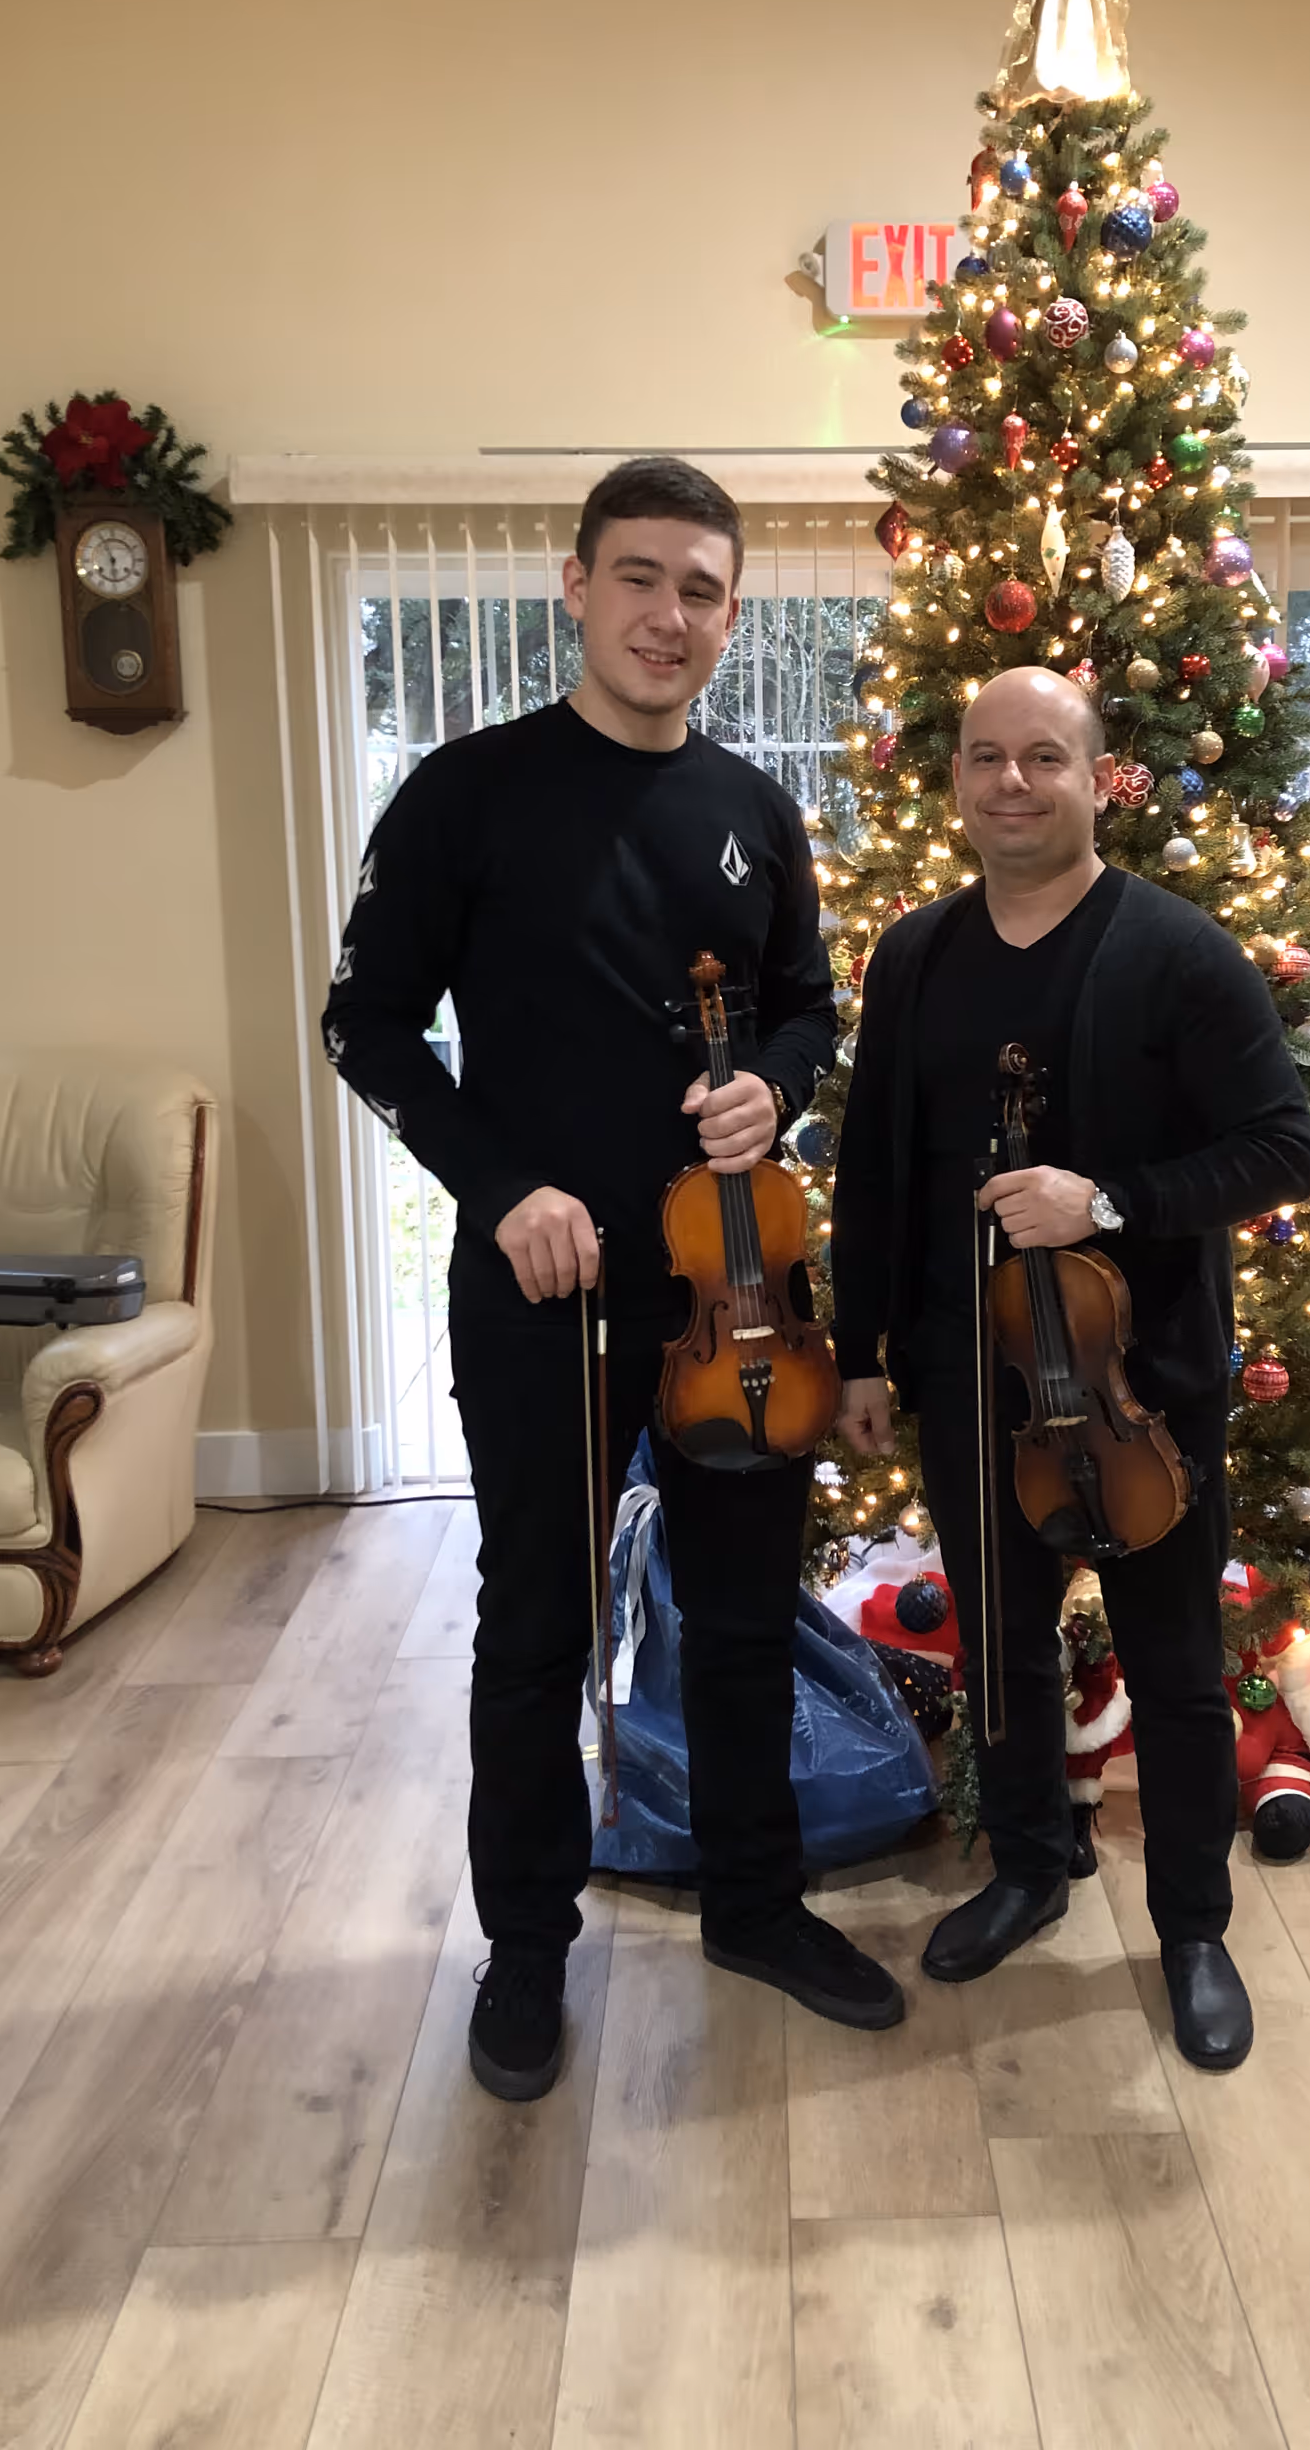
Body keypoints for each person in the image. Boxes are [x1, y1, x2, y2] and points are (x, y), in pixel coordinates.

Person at [322, 456, 905, 2103]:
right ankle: (523, 1946)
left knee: (738, 1615)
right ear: (573, 587)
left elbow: (807, 1008)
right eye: (638, 579)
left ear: (733, 613)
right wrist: (498, 1189)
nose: (670, 616)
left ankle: (754, 1906)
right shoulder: (466, 791)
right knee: (539, 1623)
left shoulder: (751, 810)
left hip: (735, 1296)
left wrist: (771, 1085)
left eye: (702, 589)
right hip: (545, 1291)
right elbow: (363, 1027)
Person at [831, 665, 1310, 2070]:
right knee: (1004, 1642)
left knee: (1171, 1664)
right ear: (959, 780)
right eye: (985, 757)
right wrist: (863, 1350)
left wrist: (1102, 1201)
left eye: (1043, 757)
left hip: (1137, 1387)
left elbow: (1283, 1146)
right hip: (965, 1375)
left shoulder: (1176, 950)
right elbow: (873, 1171)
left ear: (1097, 776)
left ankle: (1191, 1928)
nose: (1010, 783)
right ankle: (1031, 1869)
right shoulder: (916, 953)